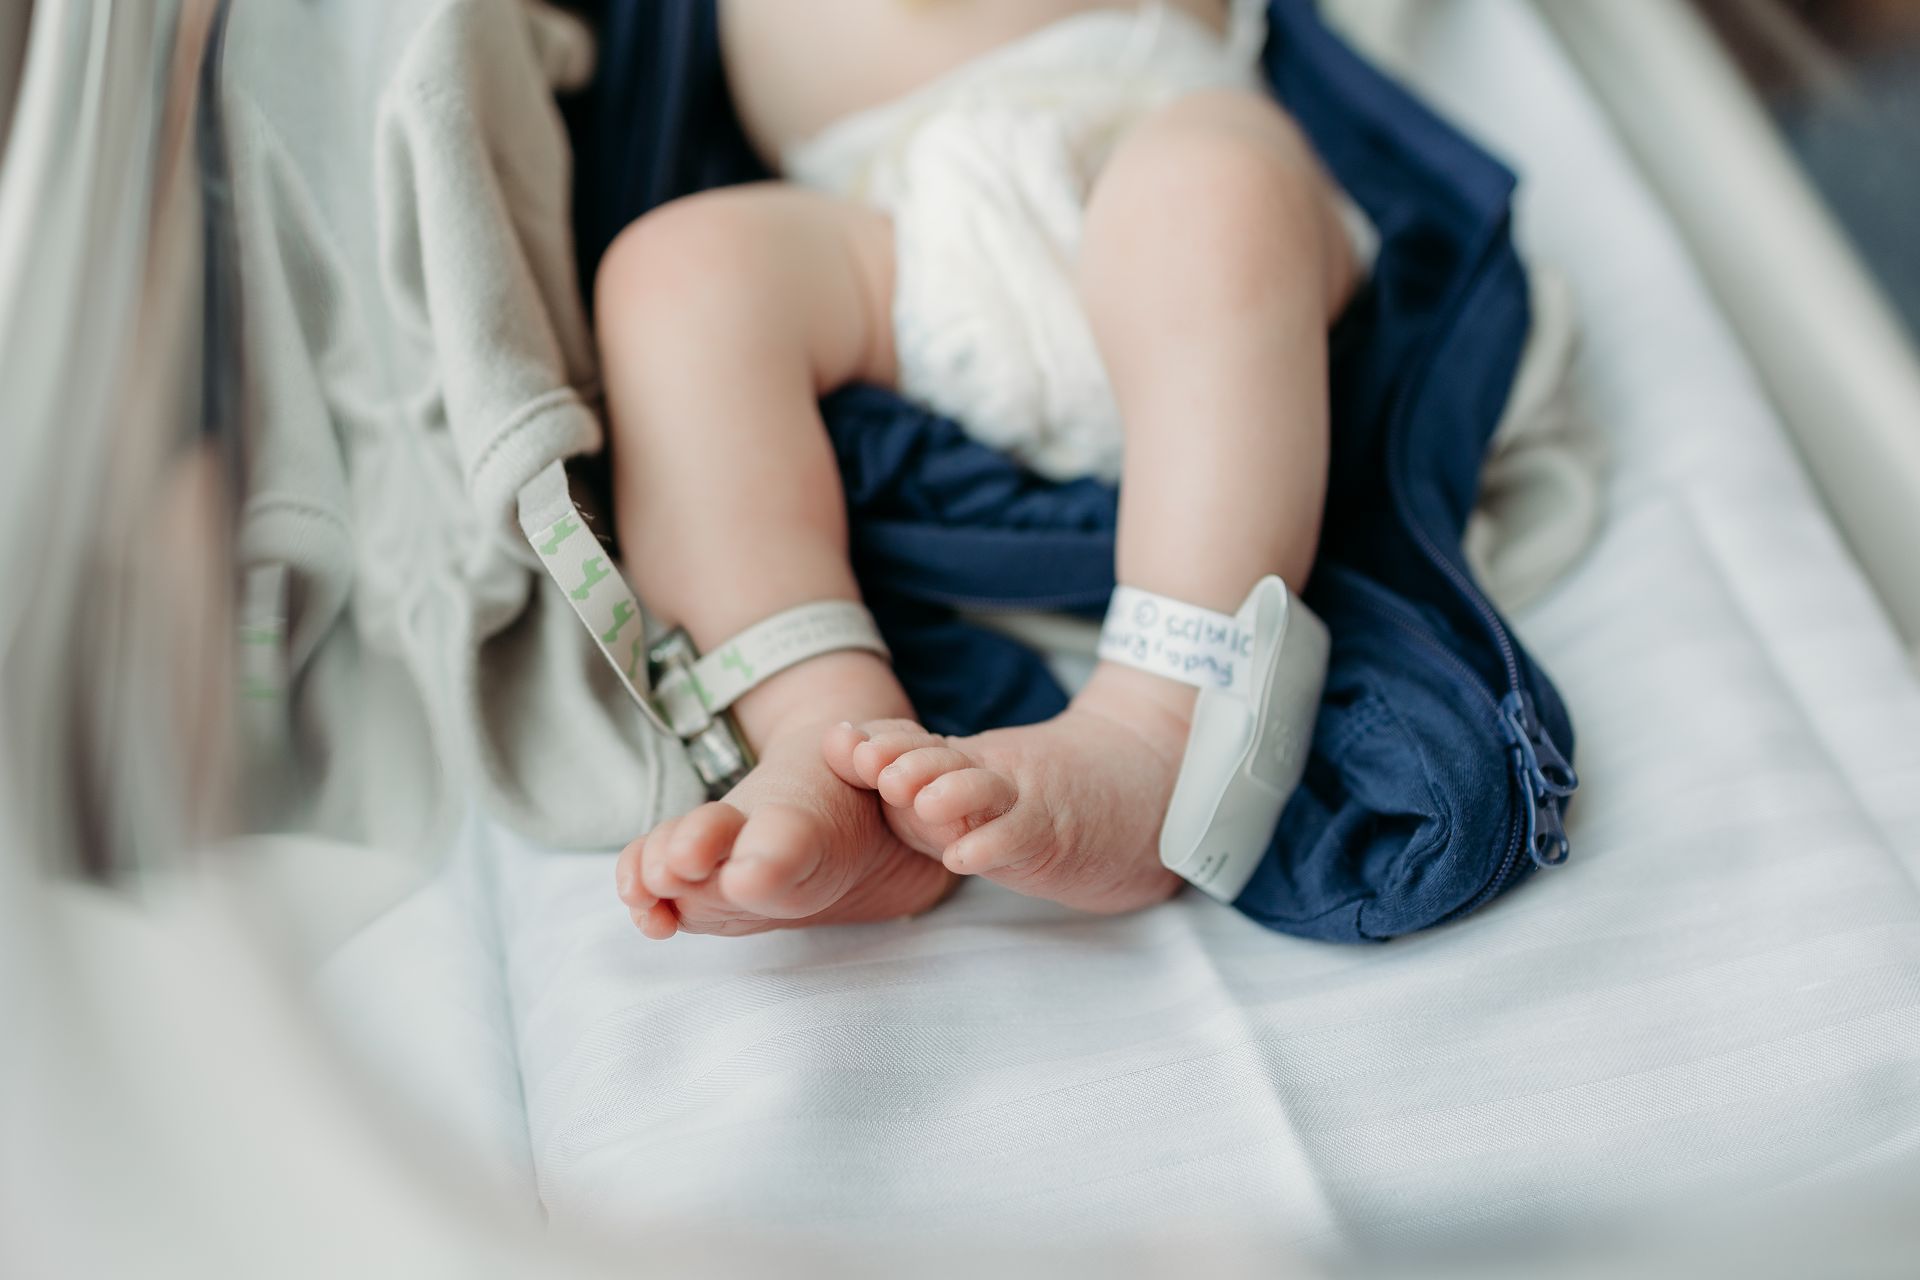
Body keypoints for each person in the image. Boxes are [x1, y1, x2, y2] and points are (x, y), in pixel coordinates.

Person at [601, 0, 1362, 938]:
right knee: (673, 277)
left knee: (1216, 192)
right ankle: (822, 732)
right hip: (894, 226)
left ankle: (1154, 725)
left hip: (1152, 121)